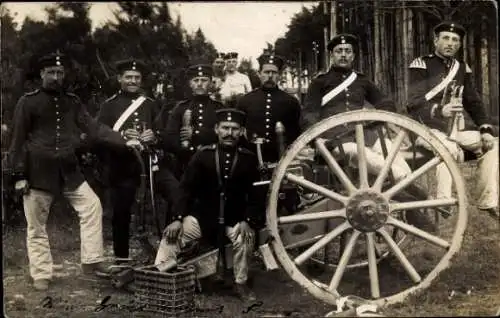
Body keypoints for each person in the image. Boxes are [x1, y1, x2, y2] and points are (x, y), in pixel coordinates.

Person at [6, 52, 142, 291]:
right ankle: (41, 273)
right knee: (36, 226)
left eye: (60, 73)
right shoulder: (28, 102)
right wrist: (18, 175)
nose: (56, 77)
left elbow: (94, 128)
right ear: (41, 74)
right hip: (38, 172)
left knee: (91, 206)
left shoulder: (72, 101)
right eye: (51, 73)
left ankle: (92, 261)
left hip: (69, 171)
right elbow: (16, 142)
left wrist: (123, 141)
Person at [155, 108, 262, 302]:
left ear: (242, 131)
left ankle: (240, 283)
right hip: (202, 218)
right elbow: (185, 189)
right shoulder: (202, 155)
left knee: (246, 237)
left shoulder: (248, 158)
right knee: (171, 236)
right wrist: (177, 219)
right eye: (225, 128)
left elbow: (255, 195)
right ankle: (160, 278)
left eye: (235, 129)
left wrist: (248, 220)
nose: (230, 133)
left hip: (233, 219)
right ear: (216, 129)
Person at [407, 21, 499, 221]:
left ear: (459, 44)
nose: (450, 43)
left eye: (455, 40)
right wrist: (440, 110)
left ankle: (487, 200)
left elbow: (473, 102)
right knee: (447, 148)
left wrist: (485, 129)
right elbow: (412, 103)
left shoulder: (461, 68)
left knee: (493, 145)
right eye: (446, 38)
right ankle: (443, 201)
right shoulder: (421, 64)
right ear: (436, 40)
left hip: (455, 129)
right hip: (425, 128)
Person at [96, 58, 179, 262]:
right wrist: (122, 137)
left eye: (136, 77)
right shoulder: (109, 106)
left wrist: (154, 137)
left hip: (151, 165)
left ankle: (167, 254)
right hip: (123, 166)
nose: (132, 81)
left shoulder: (150, 104)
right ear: (119, 79)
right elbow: (98, 136)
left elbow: (162, 133)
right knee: (121, 213)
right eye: (128, 77)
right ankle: (121, 260)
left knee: (176, 193)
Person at [237, 53, 302, 164]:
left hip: (281, 159)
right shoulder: (245, 101)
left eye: (274, 72)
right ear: (259, 74)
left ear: (279, 75)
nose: (270, 76)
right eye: (266, 72)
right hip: (251, 158)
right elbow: (239, 130)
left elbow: (297, 132)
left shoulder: (291, 102)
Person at [161, 64, 221, 177]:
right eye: (196, 80)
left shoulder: (219, 108)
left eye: (204, 80)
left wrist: (196, 133)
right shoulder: (180, 108)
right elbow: (169, 138)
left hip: (213, 163)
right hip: (185, 163)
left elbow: (224, 135)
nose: (199, 83)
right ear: (190, 83)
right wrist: (186, 149)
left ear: (211, 83)